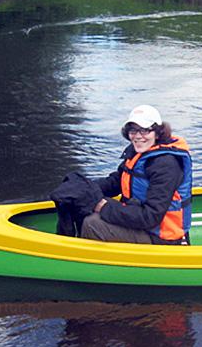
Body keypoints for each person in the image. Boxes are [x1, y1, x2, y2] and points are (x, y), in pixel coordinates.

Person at [80, 105, 193, 245]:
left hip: (161, 238)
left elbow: (150, 217)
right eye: (133, 130)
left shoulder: (166, 165)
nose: (138, 136)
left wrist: (104, 207)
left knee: (92, 223)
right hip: (143, 224)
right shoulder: (138, 152)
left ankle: (95, 263)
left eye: (145, 130)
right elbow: (117, 181)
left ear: (157, 133)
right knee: (84, 203)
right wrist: (85, 187)